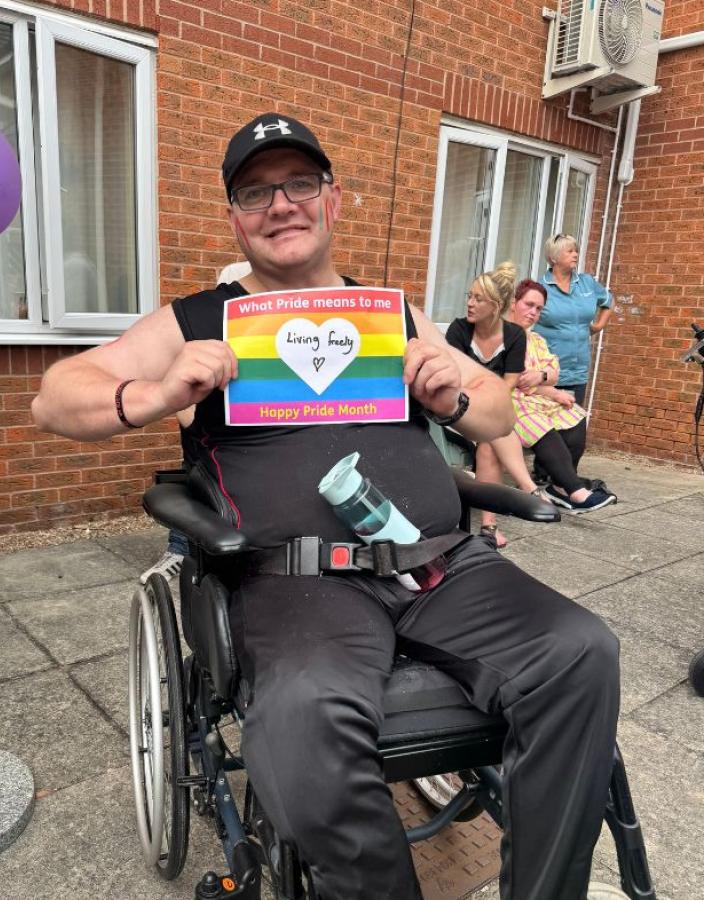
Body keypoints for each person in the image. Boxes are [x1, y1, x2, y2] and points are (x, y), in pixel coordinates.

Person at [31, 113, 618, 899]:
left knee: (581, 651)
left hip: (438, 562)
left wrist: (451, 393)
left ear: (332, 200)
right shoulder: (199, 320)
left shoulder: (387, 315)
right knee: (300, 726)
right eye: (255, 192)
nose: (280, 204)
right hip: (298, 583)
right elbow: (54, 397)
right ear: (235, 218)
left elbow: (496, 412)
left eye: (299, 184)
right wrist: (157, 392)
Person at [511, 279, 615, 513]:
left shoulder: (536, 340)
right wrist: (546, 384)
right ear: (513, 303)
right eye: (529, 305)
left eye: (539, 309)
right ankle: (576, 492)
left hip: (536, 397)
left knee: (575, 416)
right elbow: (516, 380)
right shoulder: (502, 336)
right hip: (510, 402)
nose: (533, 312)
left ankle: (559, 487)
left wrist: (541, 377)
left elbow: (554, 372)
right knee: (541, 426)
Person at [444, 261, 529, 548]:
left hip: (491, 413)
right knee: (493, 433)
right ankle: (526, 490)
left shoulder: (515, 335)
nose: (470, 303)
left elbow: (510, 383)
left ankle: (490, 527)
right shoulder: (458, 330)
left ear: (496, 306)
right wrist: (482, 401)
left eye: (478, 299)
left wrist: (487, 402)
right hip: (458, 412)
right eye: (469, 296)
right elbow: (454, 380)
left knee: (490, 442)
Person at [536, 232, 613, 491]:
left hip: (577, 368)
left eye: (576, 250)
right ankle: (543, 474)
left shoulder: (587, 283)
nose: (575, 255)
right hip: (548, 371)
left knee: (573, 428)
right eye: (569, 251)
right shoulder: (541, 288)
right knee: (547, 426)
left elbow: (608, 301)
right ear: (553, 257)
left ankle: (565, 477)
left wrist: (598, 326)